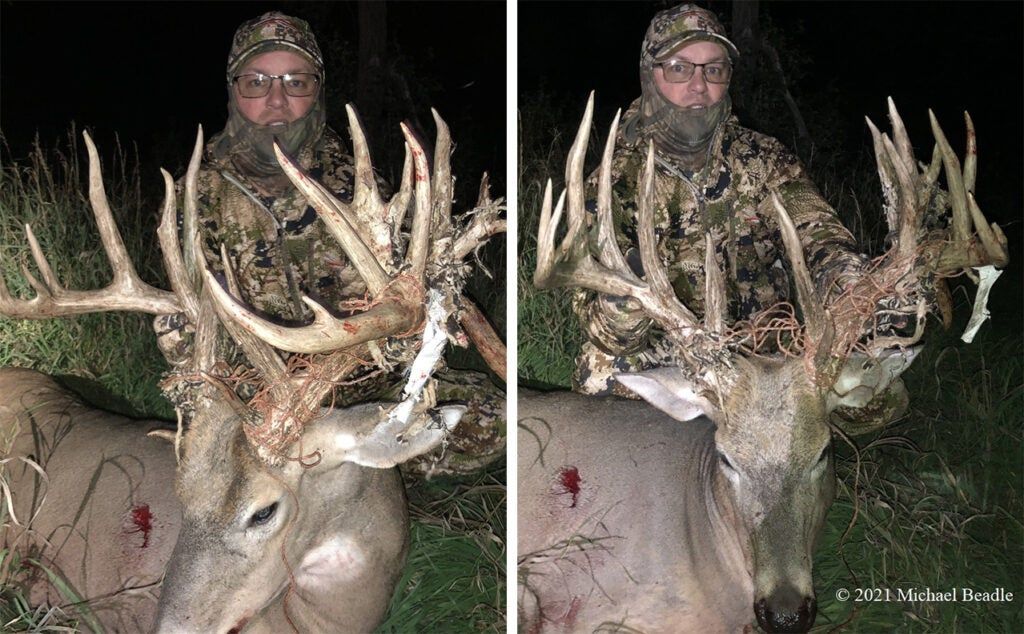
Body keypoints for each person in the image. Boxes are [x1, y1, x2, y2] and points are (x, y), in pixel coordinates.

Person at [154, 11, 503, 474]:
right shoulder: (195, 195)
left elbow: (407, 294)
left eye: (296, 82)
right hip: (258, 399)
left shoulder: (358, 184)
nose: (276, 99)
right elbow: (187, 323)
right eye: (257, 81)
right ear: (233, 89)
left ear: (317, 89)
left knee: (489, 421)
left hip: (365, 383)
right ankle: (338, 465)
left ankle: (337, 462)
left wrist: (401, 334)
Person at [572, 4, 907, 432]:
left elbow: (820, 236)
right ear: (648, 72)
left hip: (770, 348)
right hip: (679, 357)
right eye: (679, 68)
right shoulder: (614, 180)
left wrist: (856, 285)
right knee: (601, 374)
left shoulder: (764, 158)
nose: (699, 85)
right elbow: (604, 330)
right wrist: (626, 299)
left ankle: (768, 433)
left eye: (714, 70)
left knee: (878, 395)